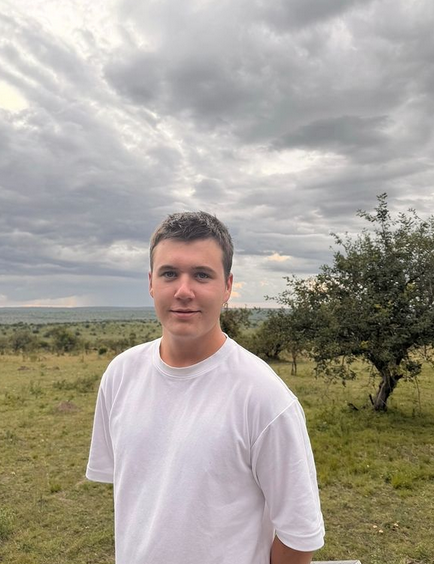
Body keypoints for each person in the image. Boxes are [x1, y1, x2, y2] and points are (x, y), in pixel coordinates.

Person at [86, 211, 325, 564]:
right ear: (151, 283)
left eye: (201, 275)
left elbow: (299, 536)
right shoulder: (121, 374)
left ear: (227, 286)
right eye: (169, 273)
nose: (183, 291)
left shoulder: (265, 398)